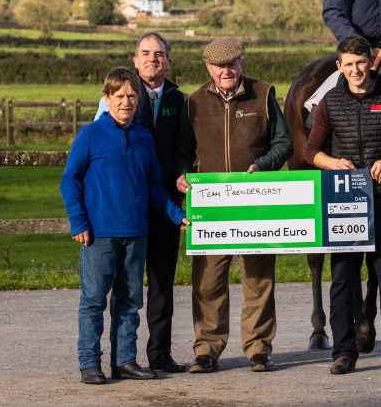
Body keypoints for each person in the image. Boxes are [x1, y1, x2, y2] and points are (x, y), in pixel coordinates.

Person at [61, 67, 189, 385]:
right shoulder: (90, 135)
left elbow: (155, 186)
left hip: (136, 233)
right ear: (107, 98)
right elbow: (69, 180)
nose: (126, 102)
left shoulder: (144, 138)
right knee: (93, 300)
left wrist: (175, 214)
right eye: (119, 96)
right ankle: (90, 363)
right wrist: (78, 221)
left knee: (130, 300)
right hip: (99, 235)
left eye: (131, 96)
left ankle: (125, 361)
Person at [303, 35, 381, 376]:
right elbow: (311, 151)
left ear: (370, 62)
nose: (355, 70)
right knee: (343, 278)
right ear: (339, 66)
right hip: (345, 201)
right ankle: (343, 352)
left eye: (360, 62)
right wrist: (332, 162)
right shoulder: (330, 101)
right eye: (348, 64)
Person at [176, 37, 292, 374]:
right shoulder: (193, 102)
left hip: (255, 204)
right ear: (208, 67)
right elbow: (183, 153)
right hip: (211, 207)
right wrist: (182, 176)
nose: (226, 71)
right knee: (208, 281)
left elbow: (283, 143)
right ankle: (207, 349)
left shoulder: (264, 94)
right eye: (218, 66)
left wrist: (264, 165)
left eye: (232, 64)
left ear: (242, 62)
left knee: (259, 278)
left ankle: (258, 348)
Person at [95, 32, 191, 374]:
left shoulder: (179, 99)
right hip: (129, 208)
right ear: (135, 60)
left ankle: (160, 354)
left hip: (166, 205)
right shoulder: (123, 96)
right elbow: (99, 145)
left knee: (163, 284)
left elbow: (185, 149)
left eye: (159, 54)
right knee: (126, 286)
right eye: (146, 53)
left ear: (168, 60)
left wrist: (182, 174)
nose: (153, 59)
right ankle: (124, 357)